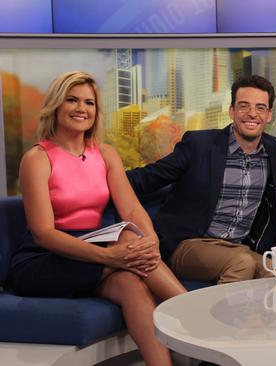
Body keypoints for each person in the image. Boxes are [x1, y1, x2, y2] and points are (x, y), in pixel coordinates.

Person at [7, 71, 186, 366]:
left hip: (94, 251)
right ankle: (195, 321)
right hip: (44, 258)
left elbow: (131, 210)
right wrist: (110, 258)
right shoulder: (37, 159)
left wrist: (150, 239)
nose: (81, 109)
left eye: (89, 103)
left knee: (131, 280)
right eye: (72, 100)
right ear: (56, 105)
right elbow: (43, 234)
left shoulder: (105, 154)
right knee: (128, 244)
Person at [127, 75, 276, 284]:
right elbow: (148, 177)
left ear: (269, 115)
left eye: (260, 108)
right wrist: (97, 181)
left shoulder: (271, 150)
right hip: (188, 243)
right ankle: (217, 318)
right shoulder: (200, 145)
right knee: (242, 263)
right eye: (244, 106)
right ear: (232, 111)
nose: (252, 114)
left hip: (238, 247)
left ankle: (257, 317)